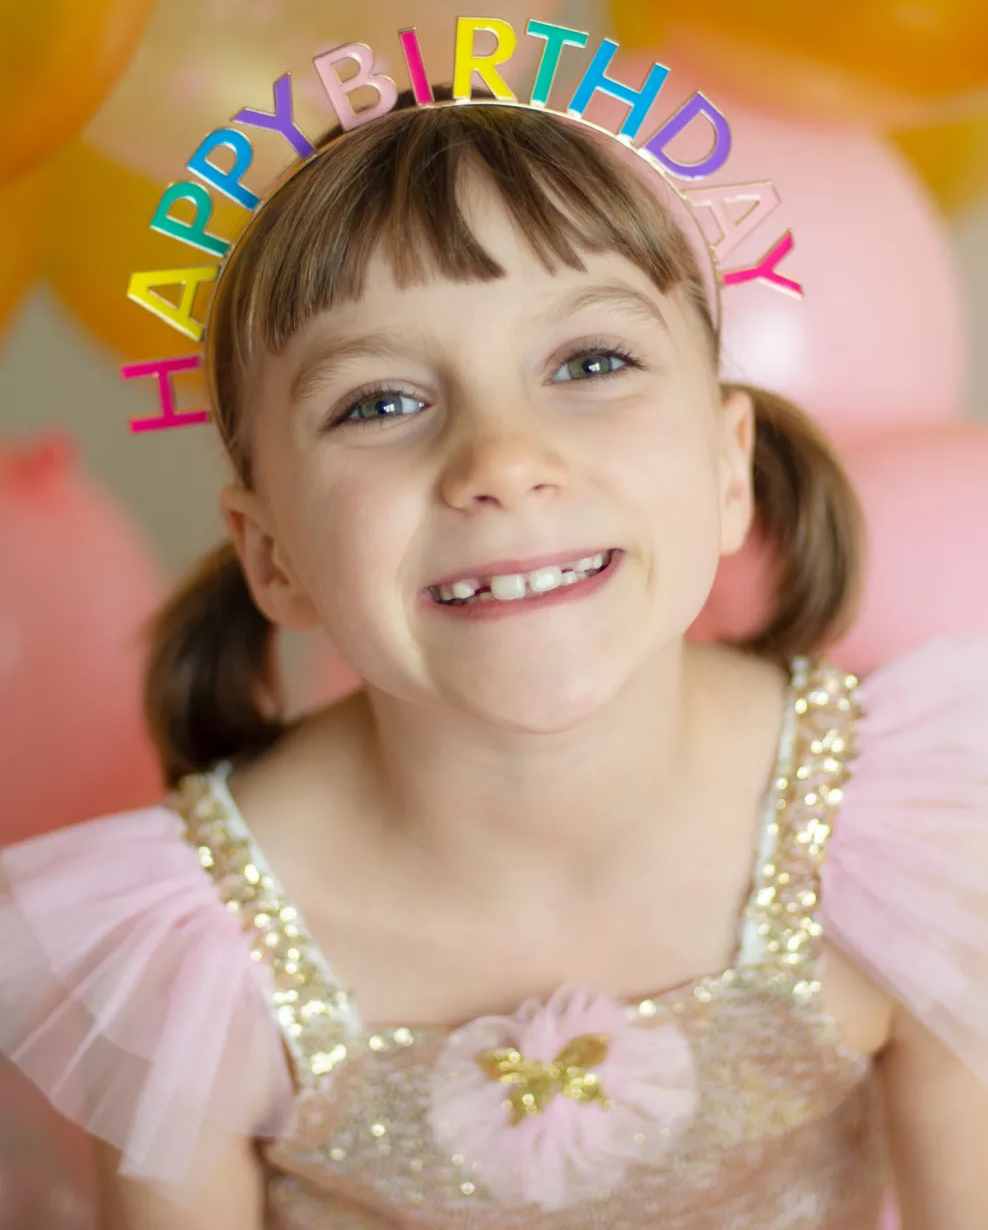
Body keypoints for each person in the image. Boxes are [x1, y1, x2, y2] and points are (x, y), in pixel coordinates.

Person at [1, 93, 986, 1230]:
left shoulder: (898, 831)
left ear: (729, 470)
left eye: (591, 360)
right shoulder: (195, 953)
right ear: (273, 556)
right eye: (380, 401)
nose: (504, 459)